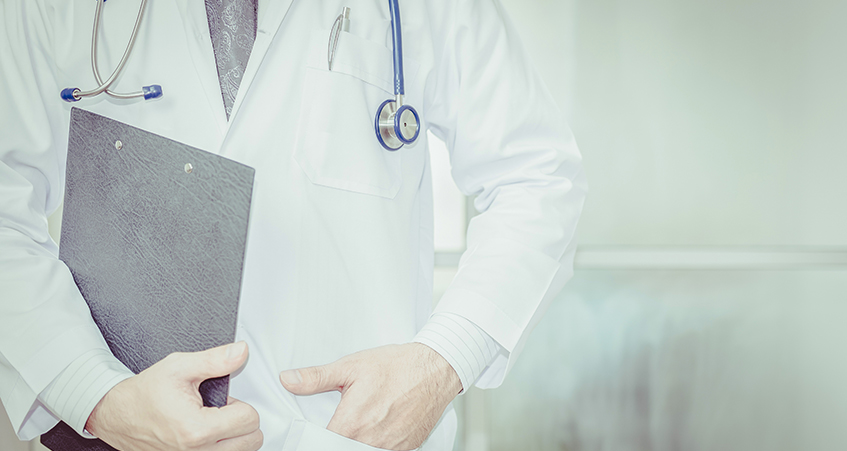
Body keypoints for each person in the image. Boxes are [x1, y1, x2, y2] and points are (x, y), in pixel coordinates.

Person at [0, 0, 586, 449]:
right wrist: (95, 395)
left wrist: (442, 360)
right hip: (128, 439)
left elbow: (536, 177)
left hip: (348, 436)